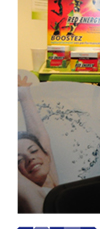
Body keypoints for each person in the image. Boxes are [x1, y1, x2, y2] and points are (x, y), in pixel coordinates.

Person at [18, 75, 59, 213]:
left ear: (47, 156)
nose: (30, 158)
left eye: (34, 151)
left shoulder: (53, 183)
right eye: (19, 160)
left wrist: (24, 95)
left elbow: (41, 136)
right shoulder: (31, 193)